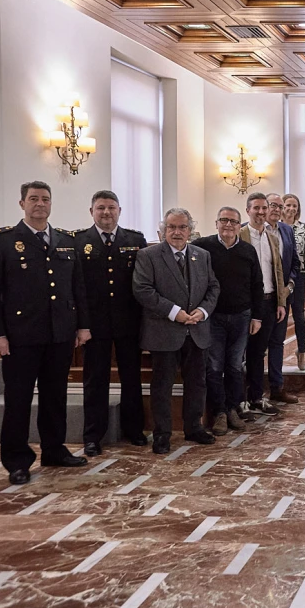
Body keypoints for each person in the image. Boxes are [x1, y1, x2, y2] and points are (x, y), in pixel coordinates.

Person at [0, 181, 91, 485]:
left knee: (55, 396)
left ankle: (54, 450)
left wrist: (82, 325)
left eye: (45, 199)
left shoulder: (66, 240)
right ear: (22, 204)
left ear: (51, 204)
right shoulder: (3, 241)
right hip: (20, 336)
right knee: (18, 400)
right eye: (33, 199)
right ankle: (16, 460)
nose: (40, 204)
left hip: (59, 334)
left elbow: (76, 288)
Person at [133, 208, 220, 455]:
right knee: (162, 386)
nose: (177, 232)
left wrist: (202, 311)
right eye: (171, 227)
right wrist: (174, 312)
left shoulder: (202, 255)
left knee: (197, 382)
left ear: (190, 231)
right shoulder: (148, 256)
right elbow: (143, 290)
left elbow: (213, 287)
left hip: (197, 330)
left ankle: (194, 427)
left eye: (182, 227)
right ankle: (162, 434)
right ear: (162, 231)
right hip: (164, 331)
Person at [74, 190, 148, 455]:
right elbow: (76, 287)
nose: (106, 213)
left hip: (128, 322)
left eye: (111, 208)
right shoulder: (79, 241)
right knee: (95, 381)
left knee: (131, 378)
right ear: (91, 211)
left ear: (120, 210)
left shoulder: (135, 240)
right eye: (101, 208)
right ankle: (93, 436)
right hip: (94, 325)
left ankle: (134, 429)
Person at [195, 207, 266, 436]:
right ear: (216, 223)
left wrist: (257, 316)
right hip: (213, 317)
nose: (228, 225)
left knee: (235, 366)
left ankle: (233, 408)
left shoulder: (247, 250)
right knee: (214, 367)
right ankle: (219, 413)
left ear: (239, 225)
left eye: (233, 221)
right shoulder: (203, 247)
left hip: (241, 316)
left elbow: (257, 285)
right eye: (223, 220)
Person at [242, 193, 295, 415]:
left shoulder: (272, 238)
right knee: (241, 353)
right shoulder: (239, 234)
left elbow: (279, 271)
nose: (262, 212)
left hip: (269, 300)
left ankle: (255, 398)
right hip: (246, 304)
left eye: (264, 208)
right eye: (257, 208)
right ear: (248, 210)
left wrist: (281, 302)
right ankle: (239, 400)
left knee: (258, 353)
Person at [264, 193, 300, 396]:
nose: (276, 209)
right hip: (260, 297)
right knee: (257, 345)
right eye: (272, 205)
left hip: (282, 297)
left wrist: (291, 285)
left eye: (279, 206)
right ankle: (254, 390)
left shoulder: (286, 230)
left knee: (278, 342)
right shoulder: (247, 230)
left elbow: (294, 262)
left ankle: (277, 387)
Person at [281, 193, 305, 371]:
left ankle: (301, 352)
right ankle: (275, 351)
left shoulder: (303, 228)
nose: (291, 209)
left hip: (299, 276)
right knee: (280, 316)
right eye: (288, 205)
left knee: (299, 316)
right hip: (280, 276)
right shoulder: (274, 226)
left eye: (295, 206)